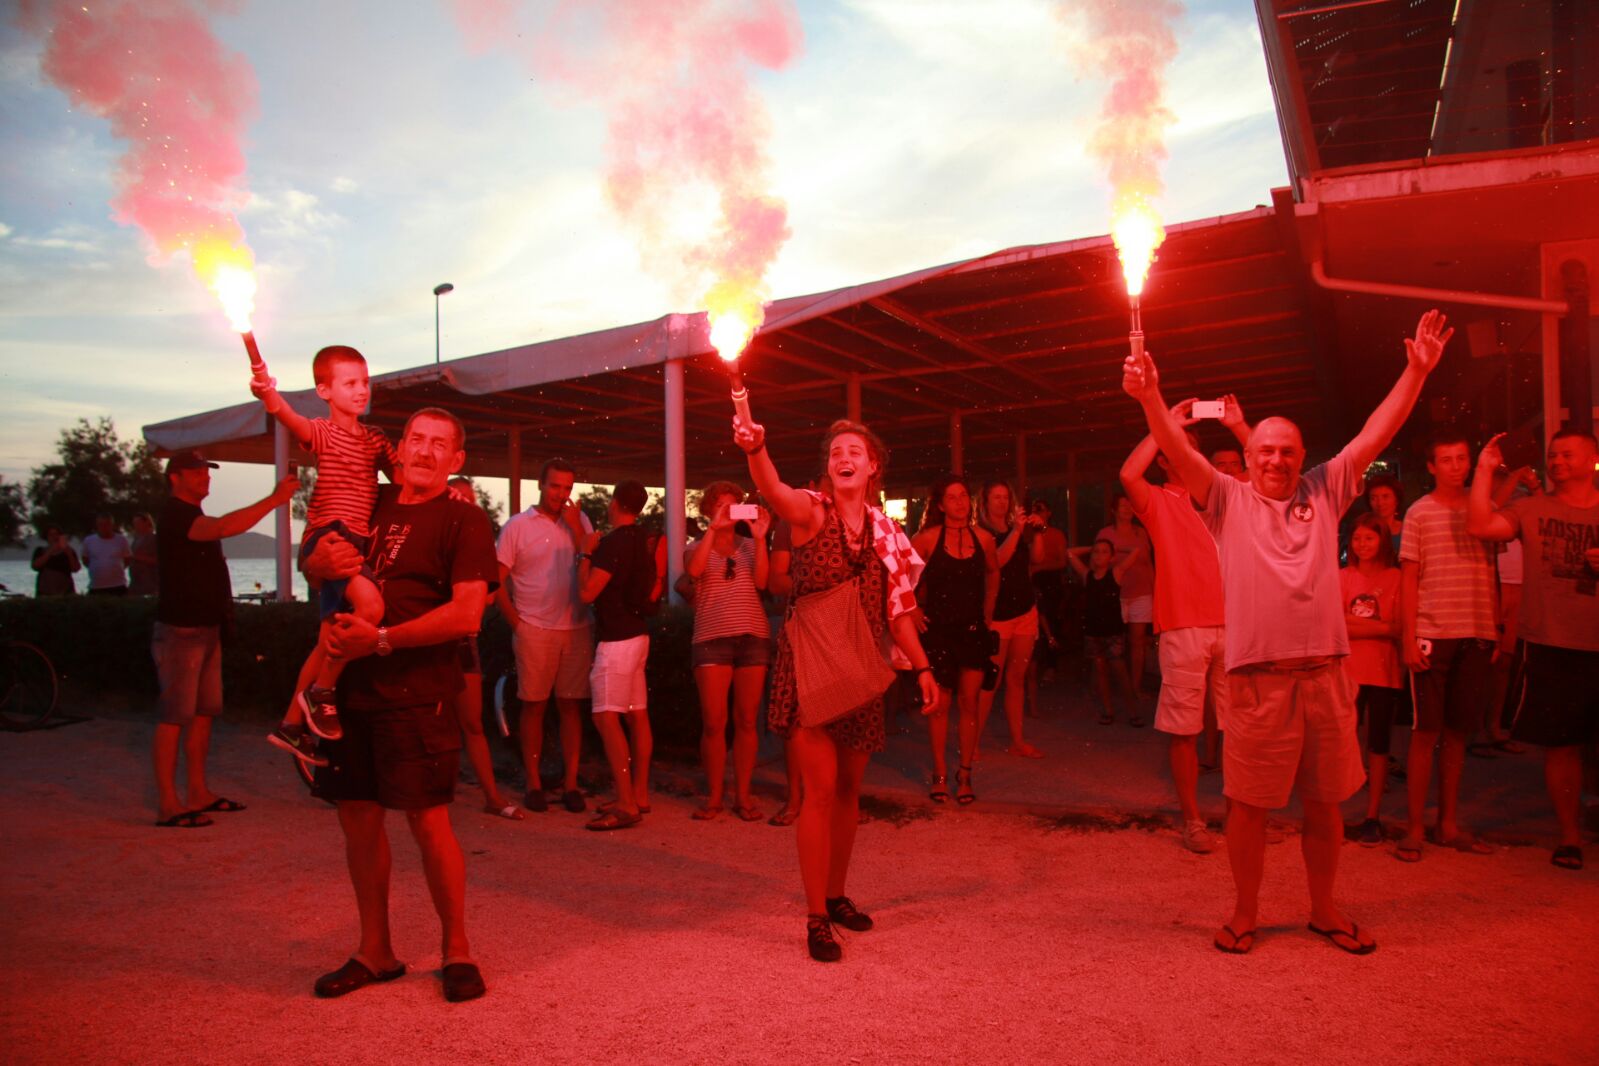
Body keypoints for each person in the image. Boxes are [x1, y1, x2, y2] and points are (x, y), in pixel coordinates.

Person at [1124, 307, 1455, 956]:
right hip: (1257, 684)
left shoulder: (1324, 489)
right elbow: (1172, 443)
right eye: (1264, 451)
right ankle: (1244, 913)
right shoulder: (1223, 497)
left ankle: (1324, 910)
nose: (1275, 459)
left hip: (1325, 679)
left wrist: (1414, 372)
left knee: (1325, 804)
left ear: (1302, 458)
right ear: (1246, 457)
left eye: (1286, 451)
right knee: (1248, 807)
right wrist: (1149, 395)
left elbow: (1373, 433)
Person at [306, 407, 497, 1003]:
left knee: (428, 820)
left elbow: (469, 614)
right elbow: (317, 559)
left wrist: (382, 639)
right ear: (402, 447)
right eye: (416, 439)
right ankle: (375, 951)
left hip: (418, 695)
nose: (424, 451)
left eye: (440, 444)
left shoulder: (464, 521)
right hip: (351, 693)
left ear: (456, 461)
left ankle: (457, 951)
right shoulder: (371, 502)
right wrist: (311, 563)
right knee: (358, 817)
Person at [735, 413, 938, 963]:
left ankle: (836, 894)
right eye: (835, 452)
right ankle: (815, 917)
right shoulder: (810, 512)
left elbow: (898, 612)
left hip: (859, 671)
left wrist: (922, 668)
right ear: (830, 468)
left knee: (850, 793)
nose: (843, 457)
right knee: (819, 795)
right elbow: (772, 489)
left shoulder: (886, 534)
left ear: (872, 467)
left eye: (855, 451)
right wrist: (757, 448)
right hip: (809, 671)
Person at [253, 345, 397, 754]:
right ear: (324, 391)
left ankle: (290, 725)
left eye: (365, 382)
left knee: (327, 639)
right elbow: (287, 416)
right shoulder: (323, 431)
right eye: (349, 383)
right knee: (370, 607)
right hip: (331, 535)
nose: (361, 390)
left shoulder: (376, 439)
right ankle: (321, 693)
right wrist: (268, 394)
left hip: (357, 540)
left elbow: (403, 472)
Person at [1467, 426, 1599, 872]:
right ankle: (1569, 837)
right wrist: (1485, 471)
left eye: (1567, 455)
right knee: (1560, 746)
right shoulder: (1531, 508)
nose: (1557, 462)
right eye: (1552, 456)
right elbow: (1481, 525)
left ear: (1591, 459)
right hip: (1550, 643)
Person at [152, 451, 298, 828]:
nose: (206, 477)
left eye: (207, 471)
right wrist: (274, 499)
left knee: (203, 714)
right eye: (197, 471)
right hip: (181, 630)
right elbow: (221, 528)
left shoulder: (191, 515)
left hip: (207, 628)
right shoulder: (174, 516)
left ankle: (198, 792)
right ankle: (169, 803)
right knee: (174, 717)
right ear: (175, 478)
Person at [1119, 402, 1230, 854]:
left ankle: (1241, 814)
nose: (1187, 457)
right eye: (1177, 450)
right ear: (1165, 458)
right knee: (1185, 728)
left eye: (1192, 450)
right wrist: (1164, 427)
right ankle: (1193, 820)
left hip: (1236, 625)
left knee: (1239, 728)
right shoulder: (1161, 500)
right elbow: (1129, 475)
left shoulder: (1228, 497)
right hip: (1184, 626)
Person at [1396, 430, 1498, 861]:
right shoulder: (1419, 513)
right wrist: (1407, 636)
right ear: (1432, 467)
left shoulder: (1484, 508)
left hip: (1475, 631)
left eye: (1462, 459)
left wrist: (1494, 626)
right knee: (1426, 732)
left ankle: (1448, 823)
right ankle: (1415, 827)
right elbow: (1409, 577)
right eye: (1447, 460)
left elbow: (1491, 568)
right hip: (1433, 633)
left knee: (1458, 732)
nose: (1456, 466)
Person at [494, 459, 593, 814]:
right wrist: (516, 623)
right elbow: (497, 579)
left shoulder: (579, 522)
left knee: (570, 706)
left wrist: (577, 531)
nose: (561, 495)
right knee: (533, 704)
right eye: (555, 486)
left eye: (567, 488)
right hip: (534, 627)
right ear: (541, 483)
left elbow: (593, 567)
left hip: (576, 627)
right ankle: (533, 781)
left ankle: (570, 783)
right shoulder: (518, 526)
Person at [685, 481, 772, 821]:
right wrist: (713, 530)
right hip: (711, 637)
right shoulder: (695, 546)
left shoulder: (750, 547)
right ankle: (715, 796)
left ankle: (743, 796)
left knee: (747, 720)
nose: (727, 512)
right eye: (721, 506)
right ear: (708, 509)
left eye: (733, 506)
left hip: (752, 637)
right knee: (713, 722)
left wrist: (762, 538)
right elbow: (693, 572)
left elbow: (763, 582)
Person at [573, 480, 656, 830]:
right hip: (638, 634)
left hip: (617, 640)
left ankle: (625, 802)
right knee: (637, 714)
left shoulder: (612, 544)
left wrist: (584, 554)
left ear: (615, 502)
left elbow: (589, 593)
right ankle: (638, 793)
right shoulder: (642, 540)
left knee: (606, 717)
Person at [911, 474, 999, 805]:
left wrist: (988, 613)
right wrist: (914, 608)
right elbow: (899, 573)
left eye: (964, 496)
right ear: (940, 504)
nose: (960, 502)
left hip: (972, 630)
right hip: (938, 631)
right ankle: (939, 774)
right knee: (940, 704)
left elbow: (993, 573)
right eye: (953, 497)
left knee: (969, 702)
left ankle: (964, 774)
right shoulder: (927, 539)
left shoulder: (984, 539)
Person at [448, 477, 520, 821]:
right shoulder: (434, 537)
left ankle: (491, 796)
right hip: (428, 640)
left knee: (472, 720)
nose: (465, 503)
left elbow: (490, 596)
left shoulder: (477, 544)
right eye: (459, 497)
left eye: (470, 499)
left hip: (463, 639)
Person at [1341, 513, 1404, 846]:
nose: (1362, 544)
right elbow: (1335, 623)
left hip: (1383, 671)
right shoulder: (1342, 577)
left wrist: (1355, 623)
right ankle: (1334, 814)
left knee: (1378, 744)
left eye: (1369, 538)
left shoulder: (1397, 578)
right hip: (1348, 671)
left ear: (1382, 541)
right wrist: (1382, 628)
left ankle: (1372, 814)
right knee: (1341, 742)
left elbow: (1402, 626)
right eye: (1357, 538)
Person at [975, 479, 1045, 757]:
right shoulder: (982, 533)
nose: (1002, 502)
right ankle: (974, 741)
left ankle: (1017, 741)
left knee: (1016, 679)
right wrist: (1017, 530)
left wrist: (1038, 532)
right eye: (997, 497)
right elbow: (996, 562)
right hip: (999, 615)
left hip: (1025, 611)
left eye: (1006, 497)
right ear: (985, 502)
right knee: (991, 680)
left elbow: (1037, 559)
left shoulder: (1018, 531)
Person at [1066, 539, 1144, 728]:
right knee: (1101, 672)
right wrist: (1090, 547)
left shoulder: (1115, 573)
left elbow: (1135, 550)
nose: (1099, 555)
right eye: (1096, 552)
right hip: (1094, 631)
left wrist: (1116, 547)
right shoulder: (1087, 576)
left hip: (1112, 632)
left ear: (1111, 557)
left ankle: (1133, 710)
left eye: (1103, 552)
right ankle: (1108, 710)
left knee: (1120, 672)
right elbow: (1070, 553)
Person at [1095, 493, 1155, 713]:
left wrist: (1155, 590)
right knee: (1114, 642)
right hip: (1116, 595)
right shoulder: (1105, 533)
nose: (1127, 508)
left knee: (1137, 642)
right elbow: (1098, 563)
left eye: (1130, 504)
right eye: (1123, 505)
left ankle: (1135, 687)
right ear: (1114, 510)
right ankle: (1113, 687)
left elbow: (1148, 564)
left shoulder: (1141, 532)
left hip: (1141, 592)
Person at [1026, 497, 1069, 697]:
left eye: (1041, 508)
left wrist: (1039, 567)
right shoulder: (1026, 533)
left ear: (1049, 513)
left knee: (1051, 622)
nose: (1037, 511)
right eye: (1035, 509)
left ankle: (1052, 665)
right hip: (1032, 582)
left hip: (1049, 581)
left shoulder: (1057, 534)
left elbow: (1061, 562)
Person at [81, 513, 131, 595]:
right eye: (101, 524)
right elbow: (85, 559)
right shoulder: (89, 540)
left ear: (112, 525)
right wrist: (98, 567)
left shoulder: (121, 540)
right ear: (97, 525)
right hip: (96, 586)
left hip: (118, 585)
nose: (104, 527)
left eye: (107, 524)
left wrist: (115, 568)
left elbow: (128, 559)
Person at [30, 525, 80, 597]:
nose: (54, 537)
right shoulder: (40, 550)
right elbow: (35, 566)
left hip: (65, 591)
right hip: (45, 591)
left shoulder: (69, 551)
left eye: (56, 534)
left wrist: (68, 552)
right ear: (47, 537)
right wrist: (51, 551)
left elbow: (75, 569)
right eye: (51, 534)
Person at [1364, 474, 1405, 556]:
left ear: (1396, 500)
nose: (1380, 503)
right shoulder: (1363, 530)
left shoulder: (1407, 530)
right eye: (1374, 498)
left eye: (1385, 497)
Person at [128, 512, 159, 596]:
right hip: (135, 582)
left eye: (138, 523)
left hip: (149, 582)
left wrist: (136, 557)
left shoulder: (153, 539)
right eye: (134, 523)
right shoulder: (135, 539)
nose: (136, 526)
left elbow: (159, 560)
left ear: (146, 523)